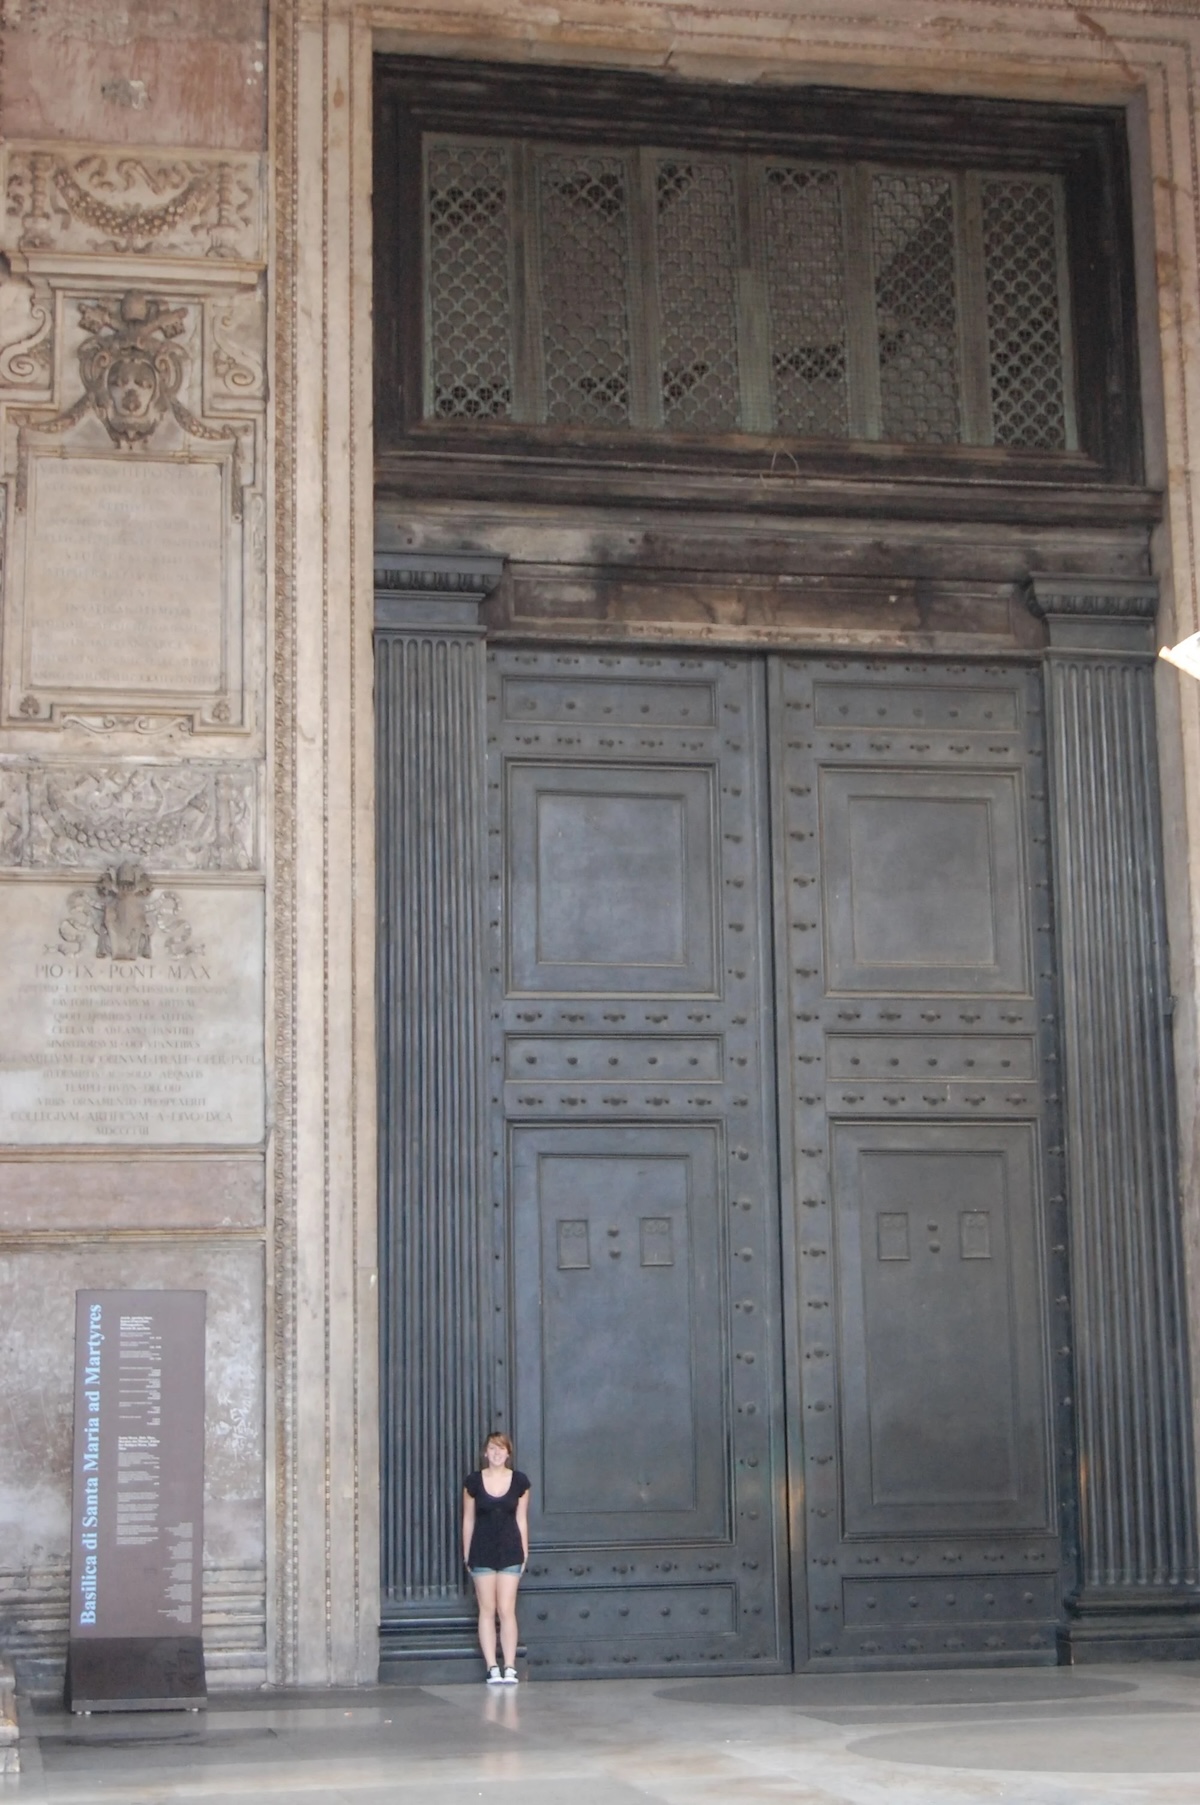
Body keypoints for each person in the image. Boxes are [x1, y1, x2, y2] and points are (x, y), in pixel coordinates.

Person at [462, 1432, 530, 1685]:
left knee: (506, 1609)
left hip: (510, 1549)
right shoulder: (473, 1482)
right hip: (482, 1549)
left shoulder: (520, 1482)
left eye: (501, 1449)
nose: (497, 1453)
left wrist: (525, 1551)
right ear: (485, 1452)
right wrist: (467, 1553)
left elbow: (521, 1519)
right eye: (492, 1448)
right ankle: (492, 1666)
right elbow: (468, 1519)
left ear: (508, 1454)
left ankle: (509, 1665)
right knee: (487, 1609)